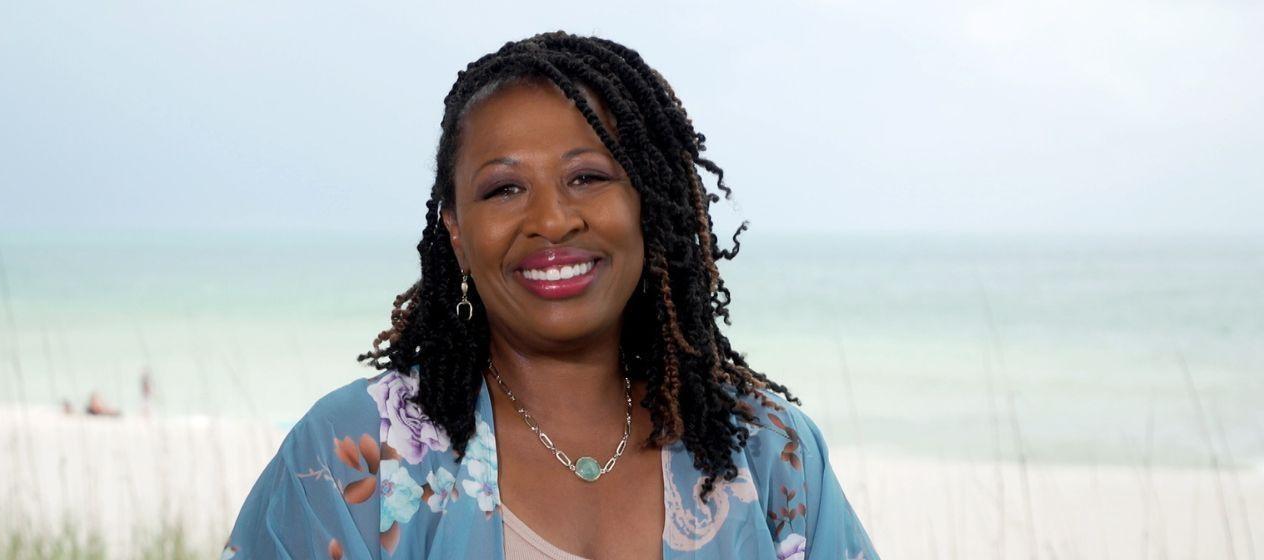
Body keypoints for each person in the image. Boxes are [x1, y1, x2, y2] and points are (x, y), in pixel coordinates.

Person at [224, 31, 877, 560]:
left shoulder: (771, 452)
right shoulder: (350, 455)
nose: (553, 220)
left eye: (588, 176)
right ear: (455, 230)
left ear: (649, 204)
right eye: (504, 189)